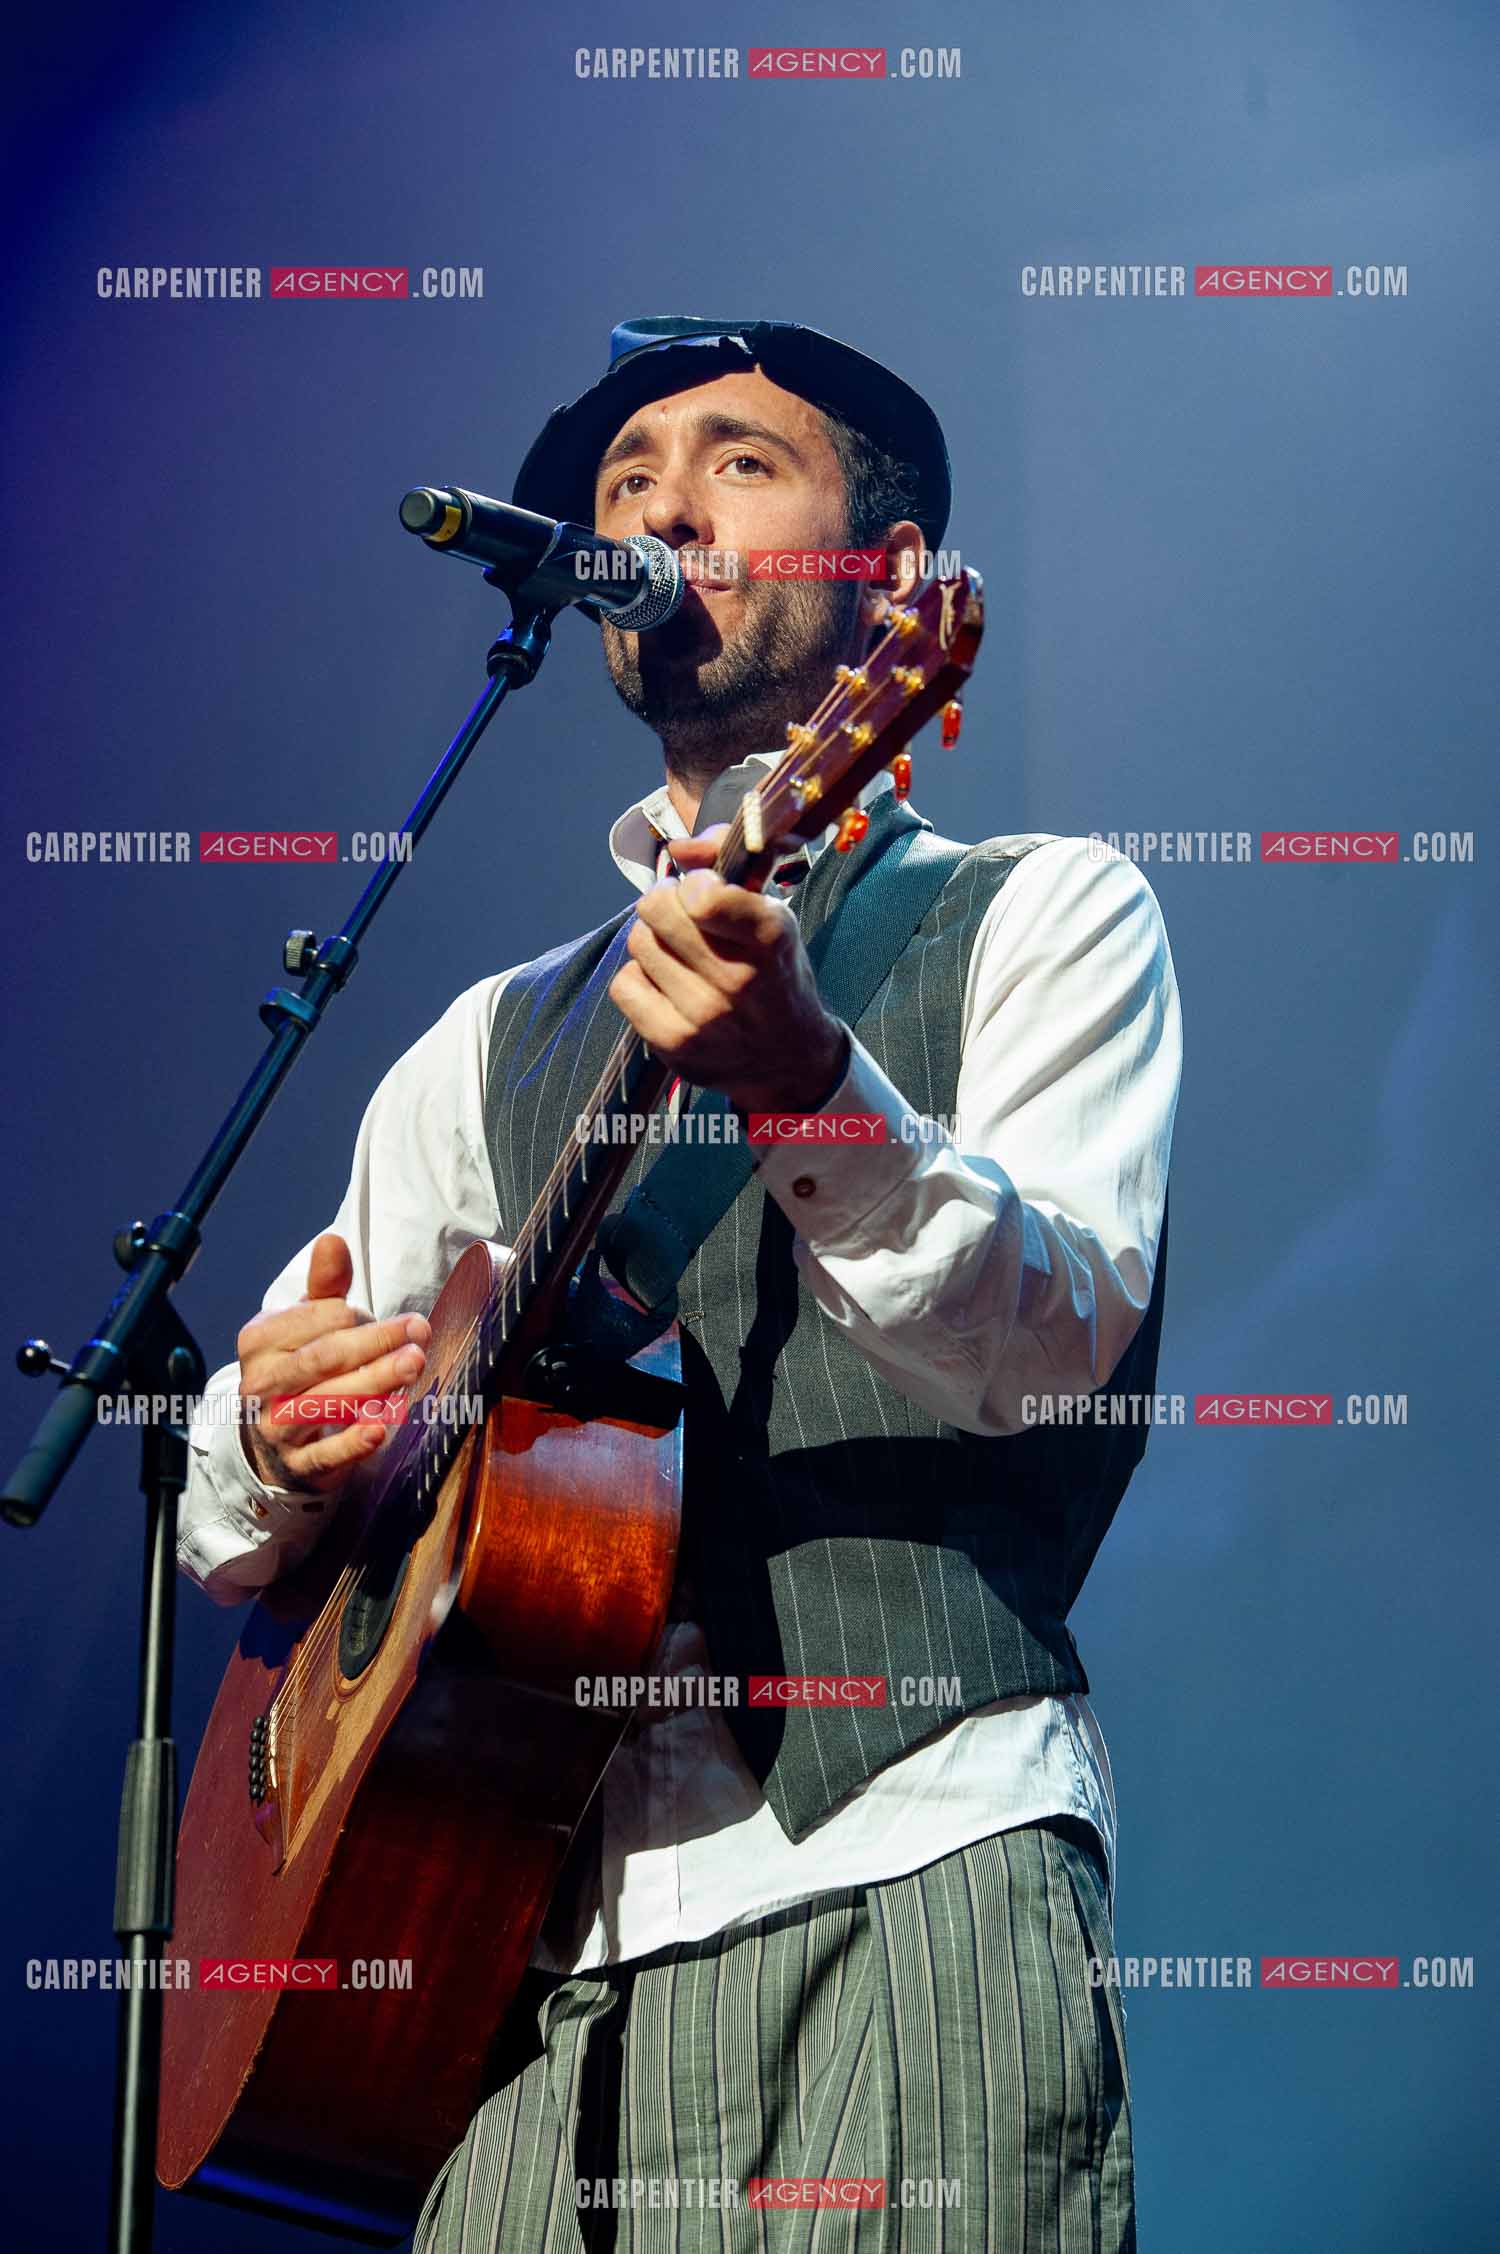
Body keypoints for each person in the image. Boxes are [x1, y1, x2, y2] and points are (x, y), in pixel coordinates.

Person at [178, 316, 1180, 2252]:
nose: (655, 505)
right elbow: (233, 1485)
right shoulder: (487, 1041)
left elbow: (1051, 1344)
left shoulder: (1044, 909)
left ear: (892, 577)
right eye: (626, 477)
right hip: (505, 1969)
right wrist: (278, 1437)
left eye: (736, 461)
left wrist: (811, 1081)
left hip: (906, 1857)